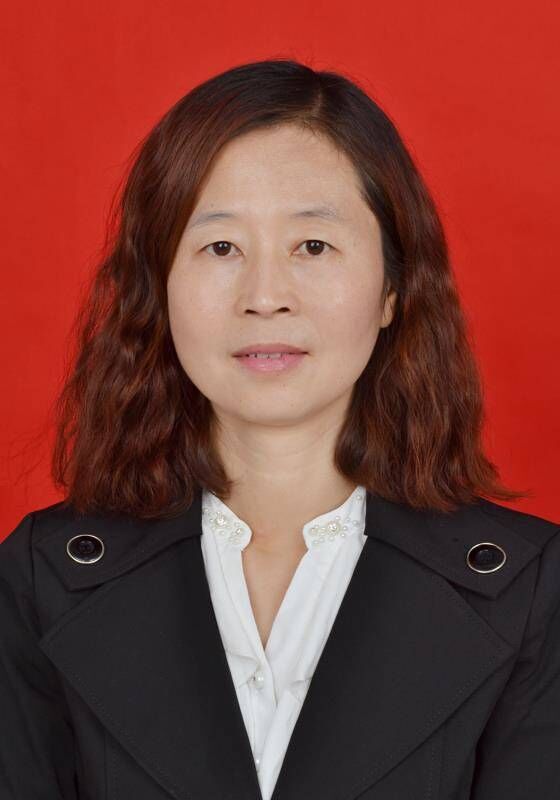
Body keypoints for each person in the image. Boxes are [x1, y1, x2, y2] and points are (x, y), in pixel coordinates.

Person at [1, 58, 559, 800]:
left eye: (313, 246)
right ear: (158, 286)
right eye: (221, 248)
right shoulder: (41, 580)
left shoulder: (529, 591)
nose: (265, 296)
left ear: (392, 289)